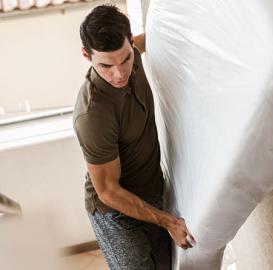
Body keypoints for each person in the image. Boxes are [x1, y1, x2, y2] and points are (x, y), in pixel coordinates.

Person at [73, 4, 195, 269]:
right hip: (114, 212)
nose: (119, 74)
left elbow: (154, 36)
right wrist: (168, 221)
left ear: (130, 43)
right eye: (106, 65)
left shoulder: (132, 54)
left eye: (125, 59)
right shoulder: (92, 115)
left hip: (152, 193)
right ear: (86, 54)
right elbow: (107, 191)